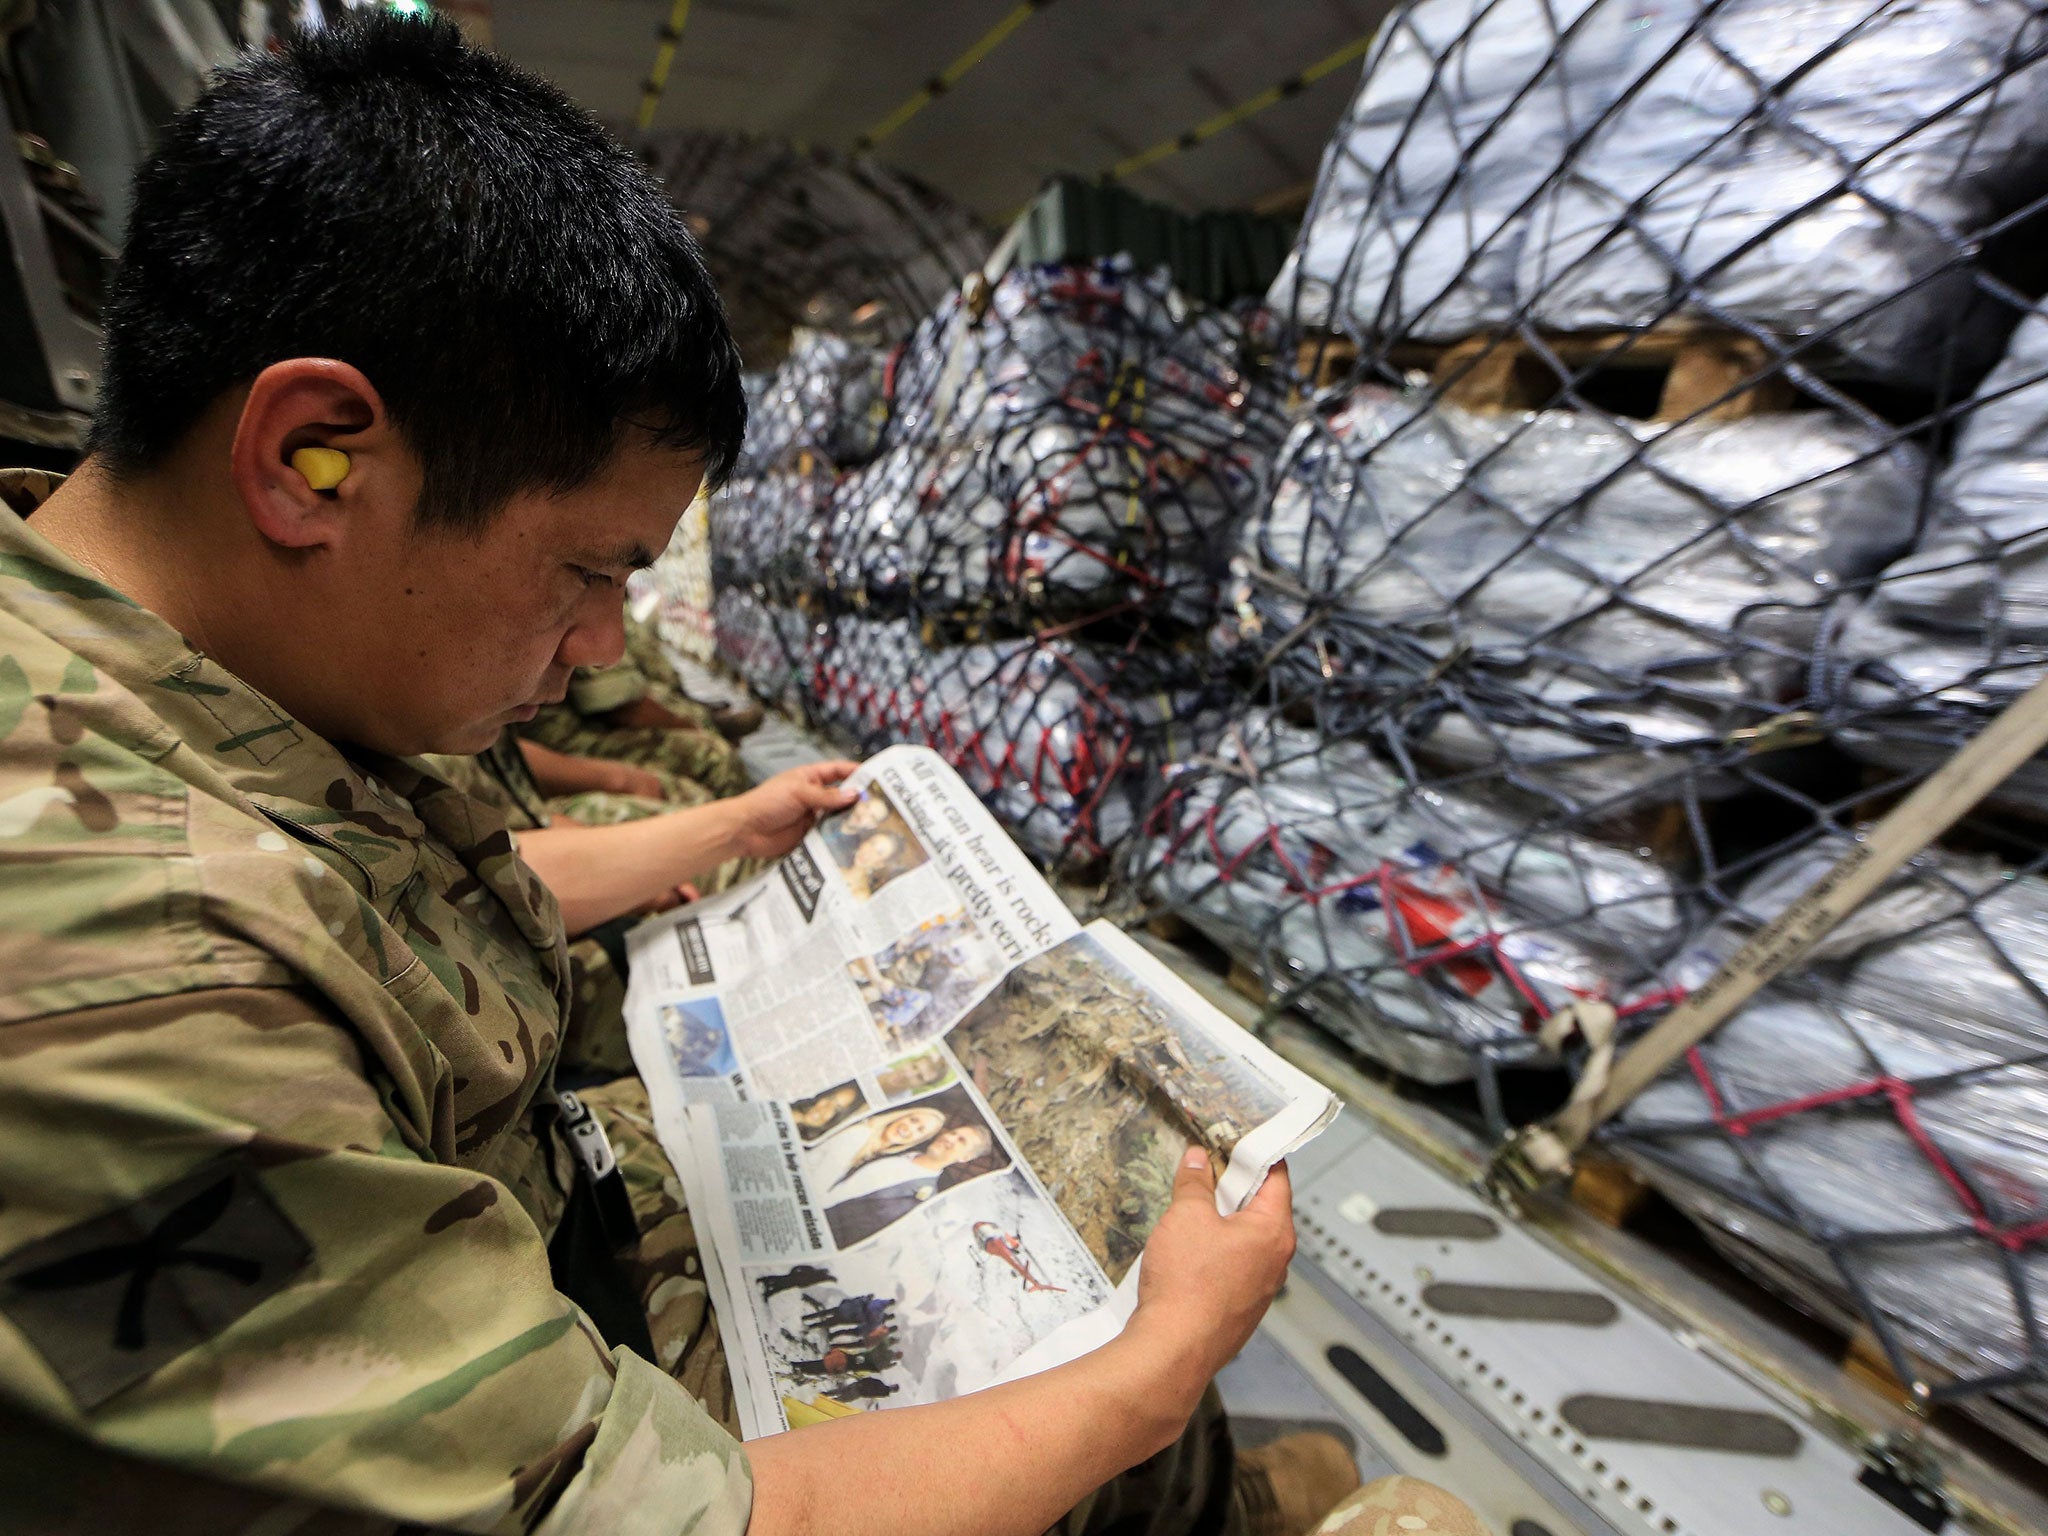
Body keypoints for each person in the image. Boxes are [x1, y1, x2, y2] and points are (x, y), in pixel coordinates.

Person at [0, 17, 1478, 1536]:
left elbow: (376, 917)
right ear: (315, 457)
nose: (596, 644)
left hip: (549, 1218)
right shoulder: (105, 958)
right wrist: (1158, 1372)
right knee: (1109, 1390)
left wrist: (734, 823)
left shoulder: (181, 683)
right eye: (587, 569)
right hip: (573, 1389)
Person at [825, 1126, 1000, 1248]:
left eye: (961, 1141)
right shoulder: (897, 1146)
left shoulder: (924, 1202)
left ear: (965, 1158)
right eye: (953, 1133)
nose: (949, 1138)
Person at [807, 1106, 948, 1191]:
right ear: (902, 1116)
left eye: (920, 1129)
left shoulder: (882, 1154)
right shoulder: (860, 1134)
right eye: (913, 1120)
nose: (909, 1128)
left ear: (918, 1140)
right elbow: (818, 1186)